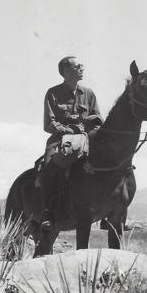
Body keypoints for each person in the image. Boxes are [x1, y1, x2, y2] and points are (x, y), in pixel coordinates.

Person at [39, 56, 103, 231]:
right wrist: (70, 130)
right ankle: (48, 213)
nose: (82, 68)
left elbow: (98, 120)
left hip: (86, 139)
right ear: (66, 71)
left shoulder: (89, 94)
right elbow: (49, 124)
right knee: (49, 167)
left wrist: (90, 129)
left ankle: (112, 213)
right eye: (78, 66)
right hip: (60, 140)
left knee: (109, 161)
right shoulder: (53, 93)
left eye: (82, 65)